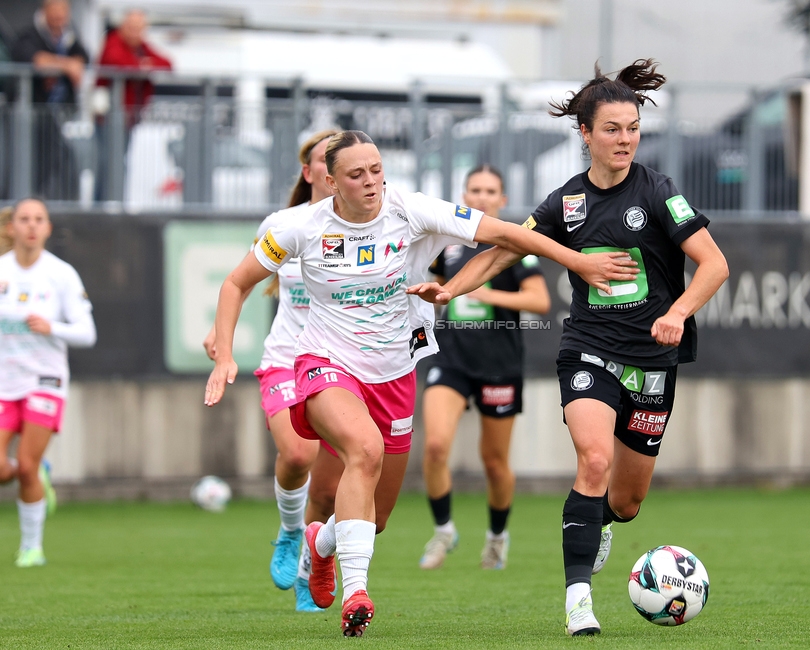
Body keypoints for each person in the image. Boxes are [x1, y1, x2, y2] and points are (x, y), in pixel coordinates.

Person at [204, 130, 636, 637]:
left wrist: (577, 260)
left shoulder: (411, 210)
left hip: (394, 373)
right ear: (330, 181)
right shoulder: (299, 226)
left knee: (376, 517)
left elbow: (509, 235)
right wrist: (225, 355)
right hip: (324, 362)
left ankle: (320, 544)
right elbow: (237, 283)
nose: (370, 181)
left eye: (376, 169)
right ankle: (357, 592)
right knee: (361, 449)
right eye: (355, 174)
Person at [407, 59, 729, 636]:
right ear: (585, 134)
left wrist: (679, 312)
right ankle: (579, 599)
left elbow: (715, 265)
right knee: (594, 459)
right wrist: (448, 289)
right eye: (612, 129)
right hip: (589, 349)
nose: (624, 139)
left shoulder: (659, 192)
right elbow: (504, 250)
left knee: (627, 501)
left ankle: (600, 520)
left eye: (632, 128)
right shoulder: (566, 203)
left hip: (653, 362)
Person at [203, 130, 337, 612]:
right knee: (298, 455)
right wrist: (221, 339)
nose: (333, 166)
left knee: (329, 490)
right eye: (325, 159)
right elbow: (240, 282)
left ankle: (309, 571)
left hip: (342, 366)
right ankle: (287, 530)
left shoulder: (375, 225)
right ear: (310, 172)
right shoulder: (282, 224)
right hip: (286, 358)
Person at [418, 165, 550, 571]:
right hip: (451, 358)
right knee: (436, 445)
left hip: (499, 364)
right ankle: (443, 531)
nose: (482, 197)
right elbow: (434, 287)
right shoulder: (449, 244)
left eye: (490, 191)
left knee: (494, 462)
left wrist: (487, 291)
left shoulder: (513, 245)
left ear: (503, 200)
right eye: (474, 190)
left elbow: (540, 302)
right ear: (464, 195)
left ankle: (496, 538)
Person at [0, 198, 96, 567]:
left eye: (39, 219)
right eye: (24, 219)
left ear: (48, 228)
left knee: (24, 465)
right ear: (11, 227)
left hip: (45, 380)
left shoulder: (61, 274)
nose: (31, 226)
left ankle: (31, 548)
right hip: (5, 381)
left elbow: (87, 333)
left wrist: (50, 326)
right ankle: (40, 474)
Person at [11, 0, 89, 200]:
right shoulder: (29, 35)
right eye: (54, 10)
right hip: (31, 116)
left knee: (66, 161)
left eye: (63, 11)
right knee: (31, 164)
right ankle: (26, 203)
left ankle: (53, 205)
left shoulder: (69, 37)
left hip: (61, 114)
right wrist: (67, 66)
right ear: (44, 11)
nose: (59, 16)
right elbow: (34, 59)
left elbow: (83, 58)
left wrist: (61, 64)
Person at [97, 10, 172, 120]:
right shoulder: (113, 41)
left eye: (138, 29)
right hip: (109, 114)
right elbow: (116, 61)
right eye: (131, 28)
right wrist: (141, 65)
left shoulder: (141, 47)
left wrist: (145, 65)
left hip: (132, 114)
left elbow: (167, 64)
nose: (134, 33)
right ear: (122, 27)